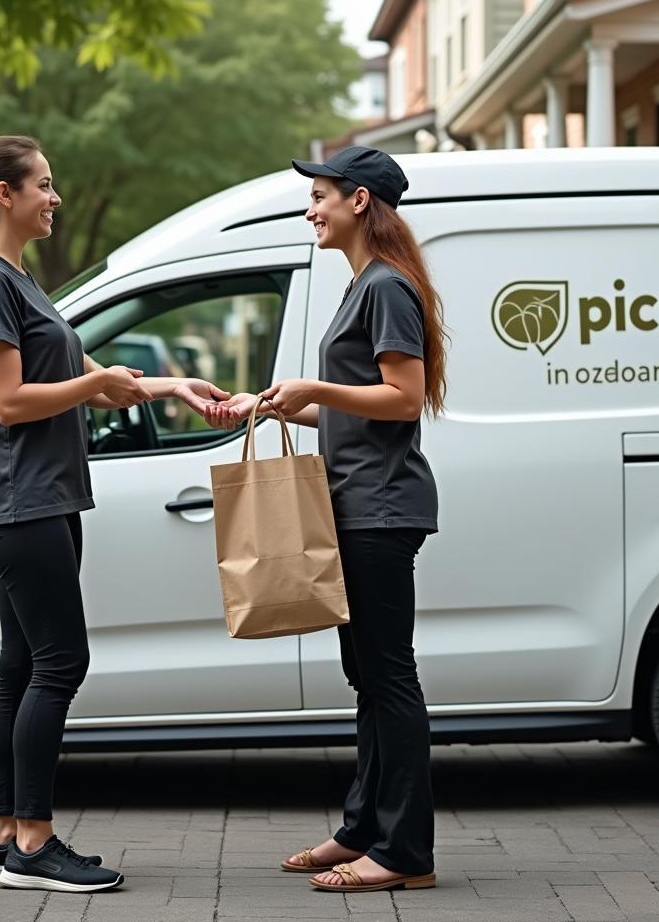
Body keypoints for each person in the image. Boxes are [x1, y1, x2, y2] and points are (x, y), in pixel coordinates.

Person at [0, 135, 228, 894]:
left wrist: (171, 386)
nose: (54, 198)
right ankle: (35, 845)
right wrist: (90, 391)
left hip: (39, 497)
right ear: (6, 195)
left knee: (22, 666)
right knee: (63, 662)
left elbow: (82, 369)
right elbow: (10, 400)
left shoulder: (19, 280)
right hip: (21, 500)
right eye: (45, 185)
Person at [205, 146, 447, 894]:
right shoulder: (365, 285)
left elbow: (403, 399)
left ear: (361, 202)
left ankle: (405, 853)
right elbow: (351, 411)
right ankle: (362, 829)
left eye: (321, 196)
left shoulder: (387, 289)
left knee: (388, 677)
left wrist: (315, 385)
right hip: (356, 502)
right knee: (367, 679)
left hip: (379, 509)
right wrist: (275, 404)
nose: (311, 209)